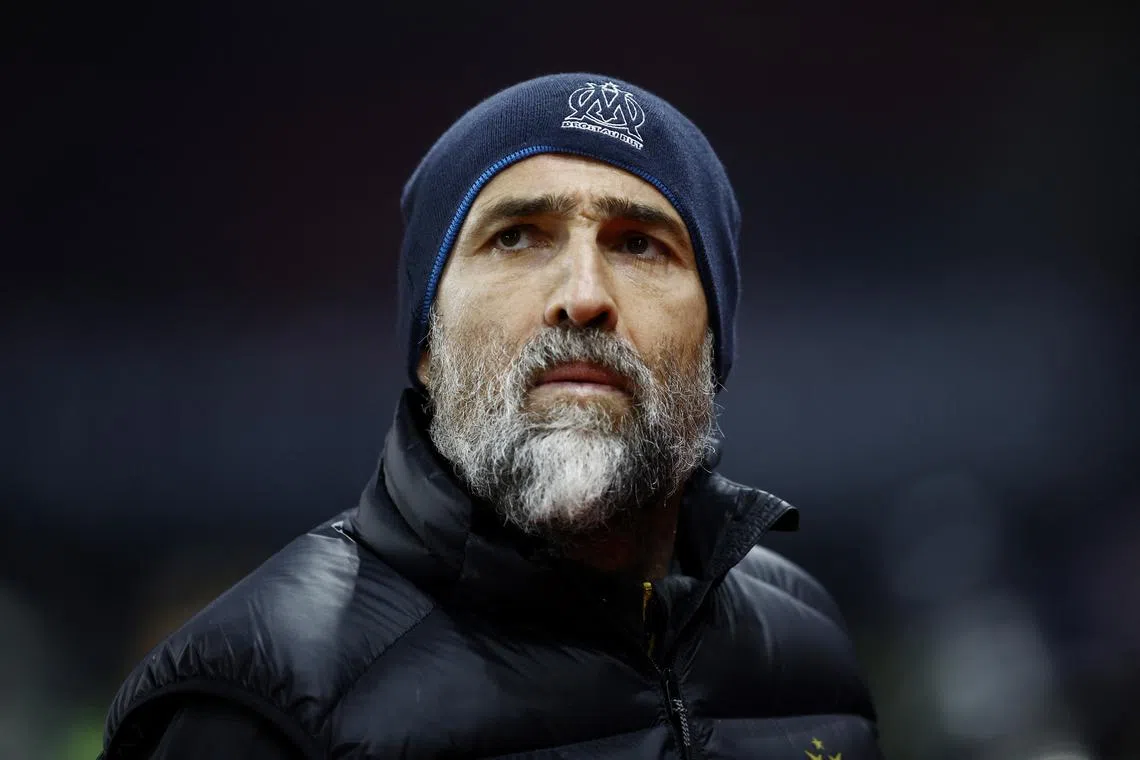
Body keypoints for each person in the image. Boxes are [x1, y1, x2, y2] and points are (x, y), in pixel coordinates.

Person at [100, 73, 883, 759]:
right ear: (426, 346)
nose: (583, 294)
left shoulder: (805, 647)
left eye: (641, 245)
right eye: (516, 237)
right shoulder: (257, 700)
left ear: (715, 348)